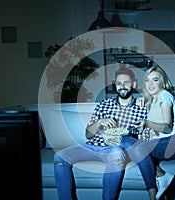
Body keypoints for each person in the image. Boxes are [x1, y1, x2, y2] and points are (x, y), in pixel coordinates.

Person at [53, 67, 147, 200]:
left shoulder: (141, 108)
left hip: (114, 149)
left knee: (116, 154)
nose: (122, 87)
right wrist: (99, 122)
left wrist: (123, 138)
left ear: (134, 84)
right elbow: (88, 135)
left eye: (126, 83)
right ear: (115, 85)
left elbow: (143, 139)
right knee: (59, 157)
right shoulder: (104, 104)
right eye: (119, 84)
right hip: (93, 146)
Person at [120, 66, 175, 200]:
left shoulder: (164, 94)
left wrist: (146, 123)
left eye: (155, 79)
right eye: (147, 80)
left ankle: (152, 196)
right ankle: (162, 175)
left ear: (162, 83)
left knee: (140, 148)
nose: (150, 84)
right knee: (124, 140)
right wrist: (141, 102)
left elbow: (167, 128)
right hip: (166, 144)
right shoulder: (151, 101)